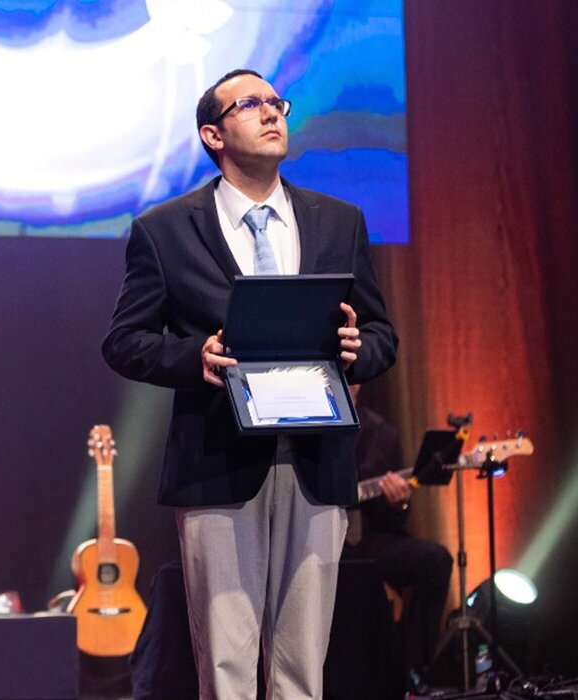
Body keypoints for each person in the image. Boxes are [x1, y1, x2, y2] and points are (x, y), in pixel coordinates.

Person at [102, 68, 398, 700]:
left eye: (276, 102)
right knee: (227, 670)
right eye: (249, 104)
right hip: (218, 467)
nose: (271, 113)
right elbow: (124, 341)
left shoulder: (338, 221)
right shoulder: (165, 229)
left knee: (302, 672)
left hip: (316, 464)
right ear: (213, 135)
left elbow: (381, 334)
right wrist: (195, 357)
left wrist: (358, 350)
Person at [342, 386, 453, 690]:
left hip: (366, 541)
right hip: (317, 542)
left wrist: (398, 502)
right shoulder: (308, 427)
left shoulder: (383, 433)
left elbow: (395, 520)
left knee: (435, 560)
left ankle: (411, 668)